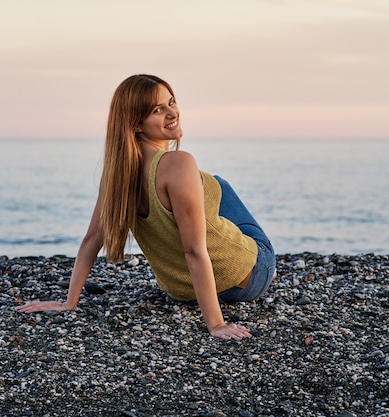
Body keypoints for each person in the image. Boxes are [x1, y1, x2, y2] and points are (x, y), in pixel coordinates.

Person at [16, 74, 276, 340]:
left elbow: (92, 238)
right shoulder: (179, 163)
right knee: (216, 183)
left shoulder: (117, 176)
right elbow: (194, 250)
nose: (172, 113)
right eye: (157, 110)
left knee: (206, 185)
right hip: (245, 278)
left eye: (171, 102)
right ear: (136, 124)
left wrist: (69, 303)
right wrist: (216, 324)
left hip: (181, 292)